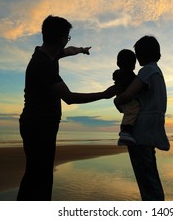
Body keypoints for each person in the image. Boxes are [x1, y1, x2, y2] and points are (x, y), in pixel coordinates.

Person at [17, 15, 119, 201]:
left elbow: (68, 51)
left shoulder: (48, 53)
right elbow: (69, 98)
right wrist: (103, 94)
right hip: (39, 126)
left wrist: (81, 50)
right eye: (67, 37)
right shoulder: (44, 64)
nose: (67, 42)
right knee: (39, 177)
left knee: (38, 174)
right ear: (61, 39)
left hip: (39, 123)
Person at [114, 35, 170, 201]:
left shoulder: (147, 71)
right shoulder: (157, 72)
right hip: (152, 129)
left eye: (137, 53)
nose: (136, 57)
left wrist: (116, 100)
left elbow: (129, 94)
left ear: (142, 54)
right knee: (150, 175)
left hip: (141, 132)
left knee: (146, 180)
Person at [112, 49, 139, 146]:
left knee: (129, 113)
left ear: (118, 63)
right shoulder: (130, 75)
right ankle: (125, 132)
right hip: (126, 99)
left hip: (120, 98)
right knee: (133, 110)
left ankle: (125, 132)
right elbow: (137, 84)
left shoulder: (118, 74)